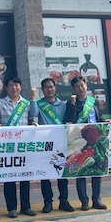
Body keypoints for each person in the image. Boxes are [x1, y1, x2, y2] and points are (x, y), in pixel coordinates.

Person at [0, 76, 37, 218]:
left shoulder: (26, 103)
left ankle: (26, 206)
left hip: (23, 146)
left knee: (24, 177)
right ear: (6, 87)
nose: (14, 88)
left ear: (20, 87)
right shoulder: (2, 102)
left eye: (17, 85)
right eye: (11, 85)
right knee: (9, 177)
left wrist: (34, 123)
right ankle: (11, 208)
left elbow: (33, 116)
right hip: (8, 146)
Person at [28, 78, 75, 213]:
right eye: (46, 87)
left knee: (62, 173)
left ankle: (64, 201)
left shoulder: (62, 105)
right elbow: (33, 113)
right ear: (42, 90)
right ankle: (48, 202)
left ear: (55, 88)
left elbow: (68, 120)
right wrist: (33, 97)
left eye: (51, 87)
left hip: (60, 143)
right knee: (45, 175)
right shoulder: (39, 104)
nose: (49, 89)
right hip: (45, 144)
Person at [64, 76, 108, 211]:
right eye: (77, 86)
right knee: (80, 171)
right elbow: (70, 120)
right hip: (80, 139)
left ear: (86, 86)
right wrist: (72, 105)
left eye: (82, 85)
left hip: (95, 138)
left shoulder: (93, 102)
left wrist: (105, 122)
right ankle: (84, 201)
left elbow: (99, 117)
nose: (80, 88)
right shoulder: (71, 103)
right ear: (74, 89)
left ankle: (97, 199)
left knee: (97, 170)